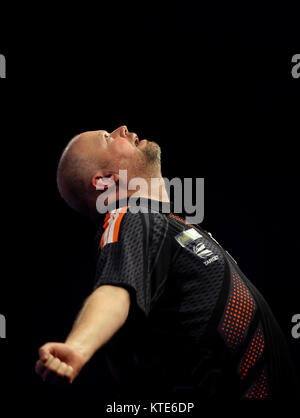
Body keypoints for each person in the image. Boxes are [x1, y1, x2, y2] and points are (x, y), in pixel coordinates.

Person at [35, 125, 298, 399]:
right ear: (105, 180)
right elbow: (114, 292)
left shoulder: (169, 226)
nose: (122, 128)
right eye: (107, 138)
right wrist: (78, 347)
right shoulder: (129, 217)